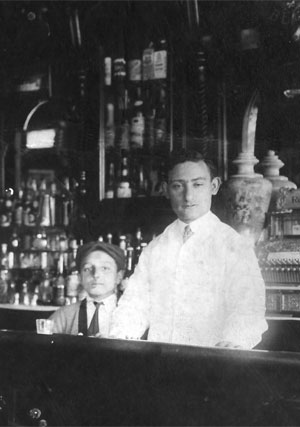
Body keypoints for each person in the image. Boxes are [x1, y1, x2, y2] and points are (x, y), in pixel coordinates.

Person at [109, 150, 268, 349]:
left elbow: (248, 309)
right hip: (159, 365)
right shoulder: (156, 248)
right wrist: (118, 339)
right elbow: (134, 305)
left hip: (212, 367)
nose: (188, 196)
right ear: (166, 190)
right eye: (178, 186)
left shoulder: (233, 246)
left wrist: (233, 343)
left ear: (214, 186)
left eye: (198, 184)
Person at [50, 241, 125, 336]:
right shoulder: (64, 316)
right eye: (88, 269)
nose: (96, 275)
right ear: (80, 277)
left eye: (105, 268)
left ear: (118, 276)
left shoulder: (134, 315)